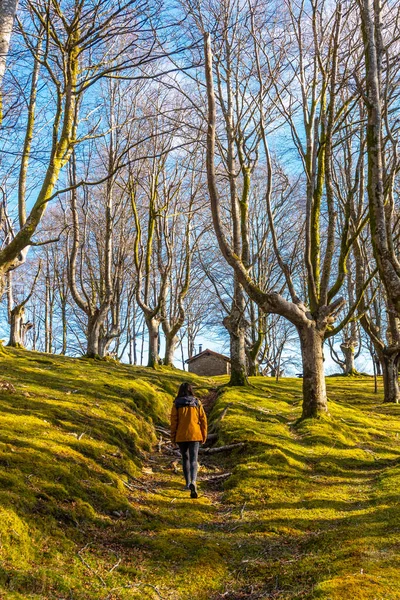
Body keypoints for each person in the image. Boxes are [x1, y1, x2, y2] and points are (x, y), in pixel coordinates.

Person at [170, 382, 207, 499]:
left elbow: (173, 422)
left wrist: (173, 437)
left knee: (185, 458)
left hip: (181, 435)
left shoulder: (176, 404)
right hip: (195, 435)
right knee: (193, 459)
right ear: (191, 390)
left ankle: (187, 483)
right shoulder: (197, 402)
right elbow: (203, 420)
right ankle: (194, 482)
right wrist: (204, 435)